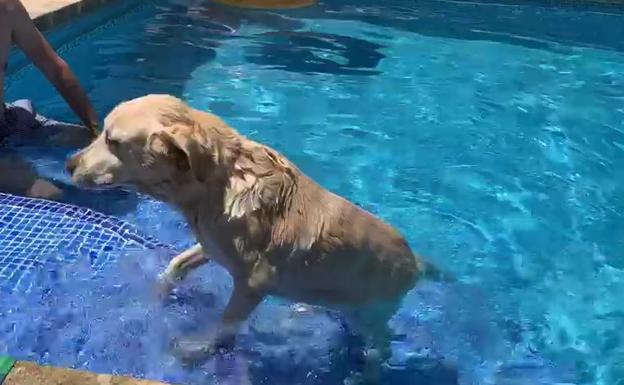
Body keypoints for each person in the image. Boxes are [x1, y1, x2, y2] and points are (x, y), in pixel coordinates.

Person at [0, 0, 98, 199]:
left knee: (110, 150)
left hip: (9, 121)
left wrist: (96, 130)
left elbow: (57, 70)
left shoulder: (6, 8)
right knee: (48, 194)